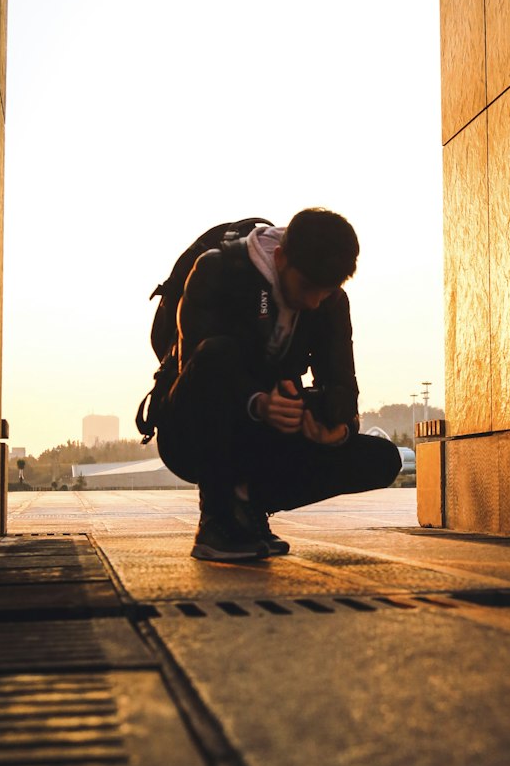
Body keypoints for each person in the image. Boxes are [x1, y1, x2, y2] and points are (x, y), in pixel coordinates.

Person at [156, 208, 401, 561]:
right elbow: (199, 372)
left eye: (326, 291)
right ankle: (217, 519)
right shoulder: (218, 271)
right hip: (193, 434)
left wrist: (336, 429)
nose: (314, 301)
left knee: (381, 459)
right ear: (280, 256)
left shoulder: (329, 302)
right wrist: (258, 403)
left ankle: (249, 508)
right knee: (218, 353)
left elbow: (343, 390)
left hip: (269, 436)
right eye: (307, 287)